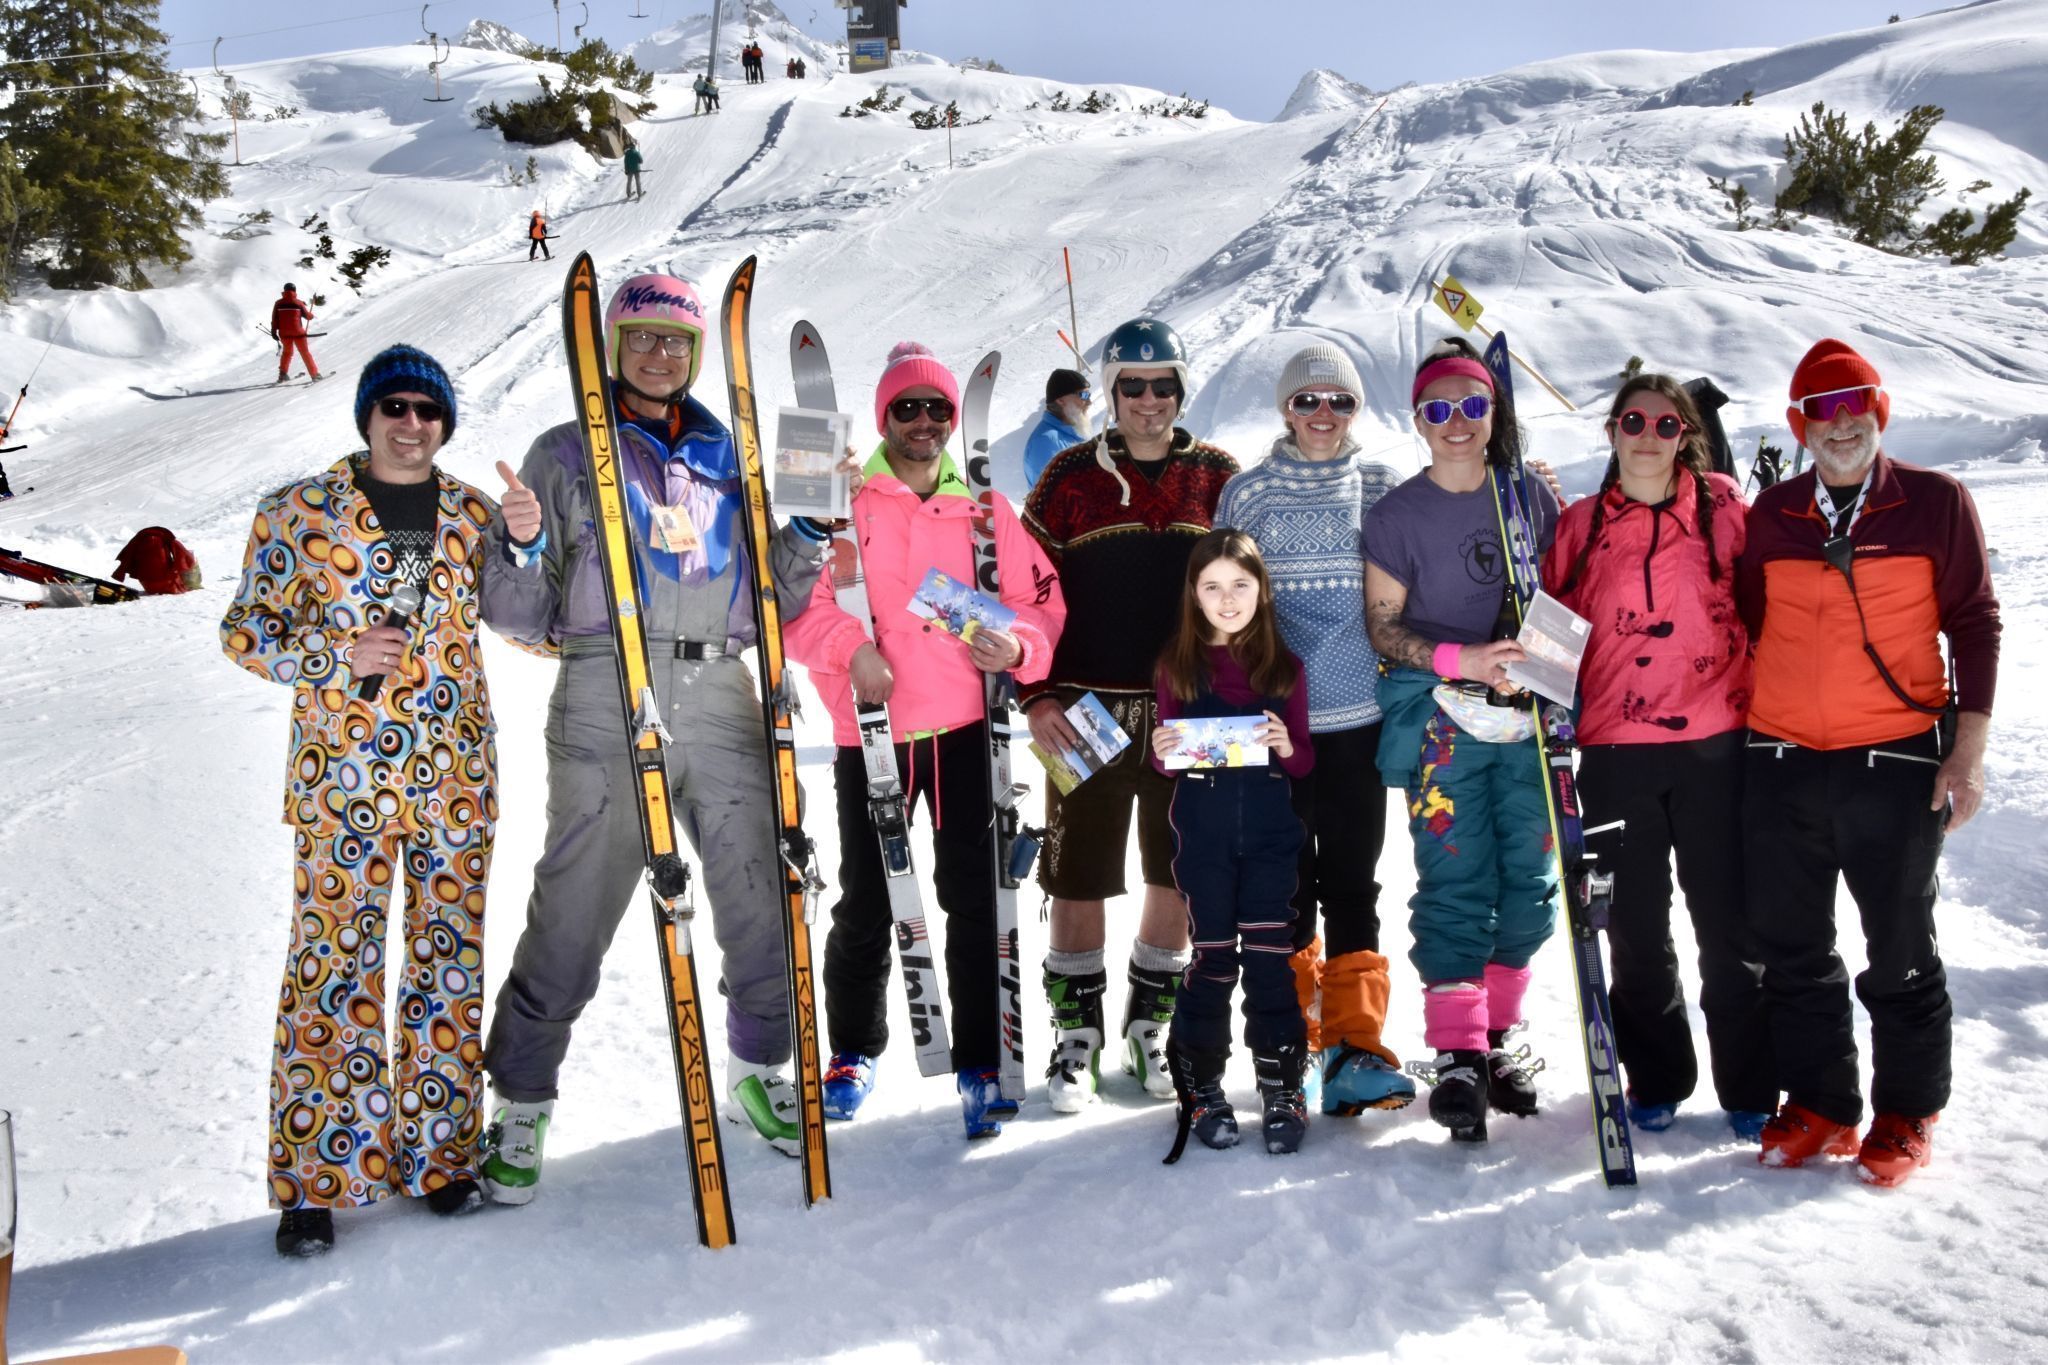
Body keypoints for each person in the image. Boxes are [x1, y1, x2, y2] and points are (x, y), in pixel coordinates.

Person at [478, 273, 831, 1201]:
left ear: (697, 355)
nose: (660, 355)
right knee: (576, 901)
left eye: (677, 342)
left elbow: (775, 607)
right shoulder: (563, 454)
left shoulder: (731, 453)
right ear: (612, 347)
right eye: (642, 338)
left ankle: (761, 1066)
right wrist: (515, 546)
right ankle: (520, 1097)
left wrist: (802, 535)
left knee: (758, 880)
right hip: (606, 684)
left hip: (720, 682)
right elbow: (520, 614)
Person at [221, 344, 498, 1256]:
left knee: (446, 966)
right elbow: (245, 633)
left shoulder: (472, 515)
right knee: (330, 973)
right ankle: (316, 1179)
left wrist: (530, 545)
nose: (411, 422)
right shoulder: (297, 512)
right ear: (369, 415)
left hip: (454, 780)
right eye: (396, 405)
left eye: (428, 409)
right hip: (342, 784)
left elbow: (534, 629)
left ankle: (442, 1156)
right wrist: (330, 657)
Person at [784, 342, 1066, 1139]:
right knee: (869, 899)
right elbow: (795, 610)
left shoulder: (985, 507)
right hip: (868, 729)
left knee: (974, 897)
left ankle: (980, 1058)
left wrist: (1015, 648)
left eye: (937, 408)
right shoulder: (837, 495)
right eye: (907, 408)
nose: (924, 421)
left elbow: (1041, 606)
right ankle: (853, 1050)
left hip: (966, 730)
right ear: (883, 418)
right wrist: (852, 650)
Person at [1737, 338, 1999, 1185]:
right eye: (1822, 408)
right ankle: (1822, 1102)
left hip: (1893, 757)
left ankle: (1906, 1110)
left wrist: (1967, 752)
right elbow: (1747, 618)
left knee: (1899, 945)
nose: (1840, 423)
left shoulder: (1934, 502)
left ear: (1878, 411)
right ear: (1799, 424)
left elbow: (1975, 625)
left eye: (1855, 405)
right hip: (1779, 755)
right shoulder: (1772, 515)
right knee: (1793, 945)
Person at [1541, 373, 1775, 1141]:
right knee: (1636, 930)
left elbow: (1768, 611)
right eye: (1633, 420)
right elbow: (1548, 636)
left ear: (1685, 434)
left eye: (1665, 423)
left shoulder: (1724, 513)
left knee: (1729, 925)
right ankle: (1658, 1075)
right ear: (1611, 431)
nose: (1648, 434)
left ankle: (1750, 1083)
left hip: (1716, 748)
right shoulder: (1579, 525)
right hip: (1614, 754)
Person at [1020, 316, 1239, 1112]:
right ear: (1109, 391)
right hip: (1084, 708)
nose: (1149, 400)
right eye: (1132, 386)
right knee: (1076, 873)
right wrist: (1034, 694)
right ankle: (1075, 1036)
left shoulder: (1219, 475)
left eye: (1164, 384)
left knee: (1177, 871)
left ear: (1183, 387)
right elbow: (1023, 594)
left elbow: (1255, 586)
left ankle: (1153, 1024)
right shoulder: (1067, 478)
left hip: (1195, 709)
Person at [1362, 336, 1561, 1146]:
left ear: (1492, 413)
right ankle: (1454, 1050)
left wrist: (1538, 661)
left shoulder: (1529, 500)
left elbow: (1561, 598)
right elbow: (1382, 626)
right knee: (1455, 878)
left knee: (1532, 883)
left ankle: (1497, 1034)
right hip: (1444, 718)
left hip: (1526, 722)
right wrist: (1463, 658)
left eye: (1472, 406)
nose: (1456, 422)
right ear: (1418, 419)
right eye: (1438, 409)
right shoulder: (1398, 516)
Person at [1215, 343, 1413, 1119]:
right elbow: (1222, 608)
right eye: (1308, 401)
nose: (1323, 416)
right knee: (1287, 888)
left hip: (1359, 723)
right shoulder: (1249, 494)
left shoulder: (1381, 488)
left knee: (1354, 885)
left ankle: (1354, 1047)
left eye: (1340, 402)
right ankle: (1290, 1043)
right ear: (1284, 408)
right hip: (1277, 727)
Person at [1152, 530, 1315, 1157]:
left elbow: (1303, 764)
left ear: (1262, 591)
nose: (1227, 599)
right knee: (1214, 957)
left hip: (1272, 838)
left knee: (1271, 957)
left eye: (1240, 585)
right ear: (1194, 595)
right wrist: (1165, 753)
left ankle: (1281, 1083)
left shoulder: (1283, 667)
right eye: (1213, 586)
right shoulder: (1178, 667)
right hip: (1204, 838)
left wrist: (1285, 746)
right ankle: (1201, 1083)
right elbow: (1167, 764)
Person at [1021, 368, 1090, 489]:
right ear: (1060, 400)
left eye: (1088, 395)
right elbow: (1054, 500)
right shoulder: (1044, 443)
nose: (1089, 402)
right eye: (1083, 395)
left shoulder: (1073, 433)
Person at [112, 525, 201, 594]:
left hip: (146, 584)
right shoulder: (166, 539)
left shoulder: (137, 541)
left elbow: (127, 558)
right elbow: (183, 554)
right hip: (167, 583)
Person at [269, 283, 322, 385]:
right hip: (299, 333)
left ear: (284, 291)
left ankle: (283, 374)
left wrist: (273, 331)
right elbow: (308, 316)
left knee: (287, 353)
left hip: (284, 334)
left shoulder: (278, 303)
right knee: (305, 353)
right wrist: (311, 315)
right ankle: (314, 375)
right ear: (295, 291)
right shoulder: (298, 303)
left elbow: (274, 319)